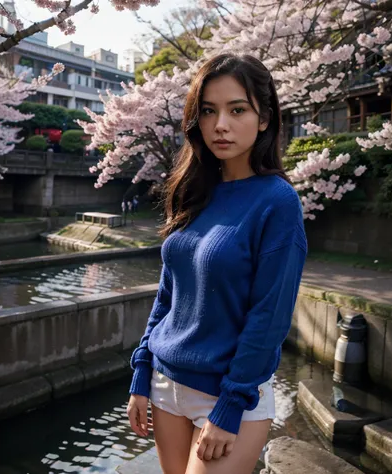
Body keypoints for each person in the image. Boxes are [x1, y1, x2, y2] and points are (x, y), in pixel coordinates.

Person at [126, 53, 307, 474]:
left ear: (264, 119)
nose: (220, 125)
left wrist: (228, 407)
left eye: (237, 109)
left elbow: (270, 317)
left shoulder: (277, 202)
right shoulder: (194, 191)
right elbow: (169, 295)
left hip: (230, 397)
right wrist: (141, 371)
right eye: (208, 111)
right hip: (166, 382)